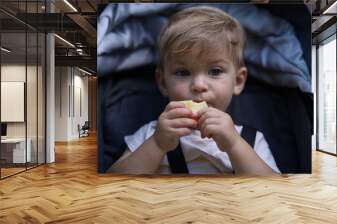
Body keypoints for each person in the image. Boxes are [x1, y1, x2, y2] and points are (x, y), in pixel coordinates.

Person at [108, 6, 280, 175]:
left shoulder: (250, 139)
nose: (198, 85)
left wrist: (234, 145)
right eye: (183, 72)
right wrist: (158, 144)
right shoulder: (152, 133)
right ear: (163, 83)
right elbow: (114, 183)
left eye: (215, 71)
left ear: (238, 81)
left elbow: (275, 193)